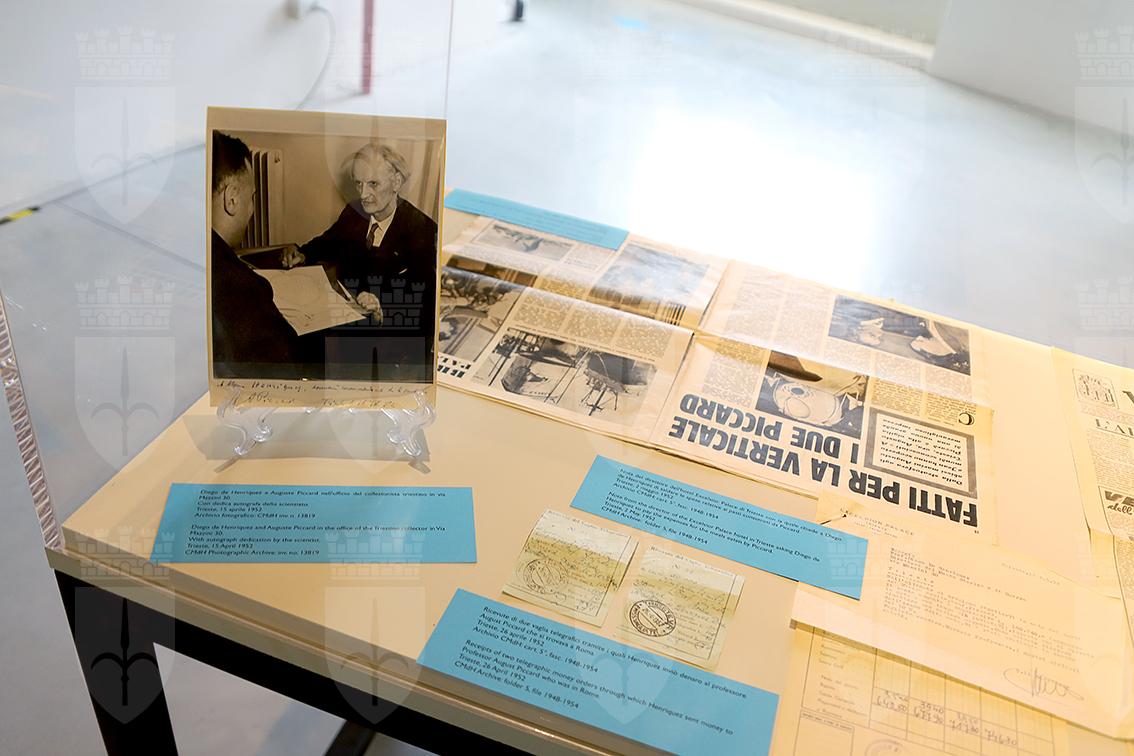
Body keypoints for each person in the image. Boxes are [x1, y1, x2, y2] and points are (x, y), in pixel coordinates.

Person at [286, 143, 438, 381]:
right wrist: (303, 252)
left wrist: (383, 307)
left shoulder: (424, 231)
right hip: (348, 326)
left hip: (393, 343)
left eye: (373, 184)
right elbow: (329, 241)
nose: (363, 194)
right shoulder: (354, 212)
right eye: (359, 183)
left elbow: (427, 306)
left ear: (396, 182)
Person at [210, 131, 300, 379]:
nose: (251, 208)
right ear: (231, 199)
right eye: (251, 197)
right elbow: (288, 368)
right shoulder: (242, 289)